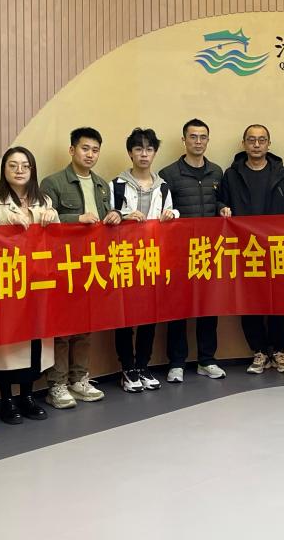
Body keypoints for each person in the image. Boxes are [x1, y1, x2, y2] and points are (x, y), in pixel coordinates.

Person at [40, 127, 123, 408]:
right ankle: (57, 384)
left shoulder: (101, 184)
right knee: (62, 328)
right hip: (63, 264)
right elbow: (45, 222)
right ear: (72, 150)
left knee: (85, 325)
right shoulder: (52, 183)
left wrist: (115, 215)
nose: (90, 154)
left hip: (93, 264)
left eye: (95, 150)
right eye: (85, 148)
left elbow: (107, 216)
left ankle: (79, 378)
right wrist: (76, 218)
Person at [0, 147, 58, 425]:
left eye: (25, 165)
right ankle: (7, 400)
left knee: (35, 341)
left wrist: (53, 217)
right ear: (4, 170)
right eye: (13, 165)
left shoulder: (44, 199)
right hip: (8, 282)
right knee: (8, 344)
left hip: (38, 281)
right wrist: (3, 225)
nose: (20, 170)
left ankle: (27, 396)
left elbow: (58, 240)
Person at [219, 124, 284, 374]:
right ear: (243, 144)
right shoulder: (231, 174)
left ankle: (279, 350)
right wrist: (222, 208)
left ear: (268, 144)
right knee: (249, 302)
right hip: (245, 249)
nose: (256, 144)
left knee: (278, 301)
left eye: (261, 140)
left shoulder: (282, 173)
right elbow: (221, 201)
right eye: (251, 140)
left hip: (276, 248)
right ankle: (259, 351)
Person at [159, 119, 228, 380]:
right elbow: (163, 209)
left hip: (208, 252)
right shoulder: (169, 174)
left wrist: (222, 208)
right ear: (184, 140)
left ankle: (206, 360)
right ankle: (176, 362)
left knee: (209, 308)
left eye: (202, 137)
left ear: (208, 140)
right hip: (178, 253)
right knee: (178, 309)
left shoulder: (216, 172)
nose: (198, 142)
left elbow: (219, 200)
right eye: (193, 137)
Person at [110, 128, 178, 391]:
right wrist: (124, 216)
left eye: (149, 149)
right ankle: (127, 368)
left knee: (150, 314)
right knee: (125, 316)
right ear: (130, 152)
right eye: (138, 149)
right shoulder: (116, 185)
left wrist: (172, 215)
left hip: (153, 257)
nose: (144, 154)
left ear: (155, 153)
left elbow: (171, 215)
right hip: (125, 258)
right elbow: (109, 217)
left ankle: (142, 365)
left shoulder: (164, 186)